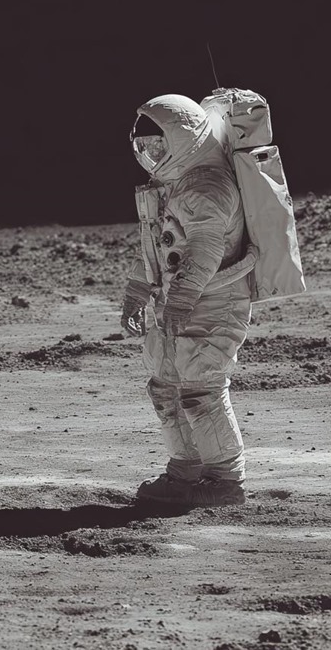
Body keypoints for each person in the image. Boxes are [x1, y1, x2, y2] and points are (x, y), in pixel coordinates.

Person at [123, 94, 252, 507]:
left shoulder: (206, 186)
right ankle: (185, 471)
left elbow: (204, 251)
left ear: (182, 139)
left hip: (212, 299)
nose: (151, 153)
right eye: (145, 146)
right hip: (177, 298)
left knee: (201, 387)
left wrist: (179, 300)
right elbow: (160, 246)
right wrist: (137, 290)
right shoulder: (176, 182)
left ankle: (226, 480)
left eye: (159, 144)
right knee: (165, 386)